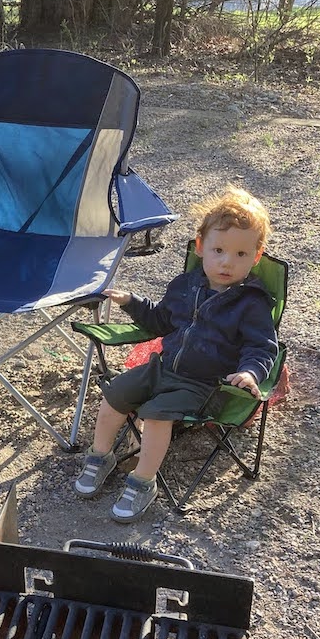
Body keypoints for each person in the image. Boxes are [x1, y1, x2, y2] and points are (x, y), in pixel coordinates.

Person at [74, 185, 278, 523]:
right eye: (219, 250)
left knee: (155, 414)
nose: (228, 262)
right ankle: (100, 455)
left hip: (203, 385)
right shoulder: (184, 285)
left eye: (241, 255)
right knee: (115, 394)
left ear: (256, 257)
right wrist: (131, 302)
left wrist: (251, 372)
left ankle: (143, 481)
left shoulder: (252, 304)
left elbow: (261, 347)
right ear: (201, 247)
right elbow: (161, 321)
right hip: (163, 368)